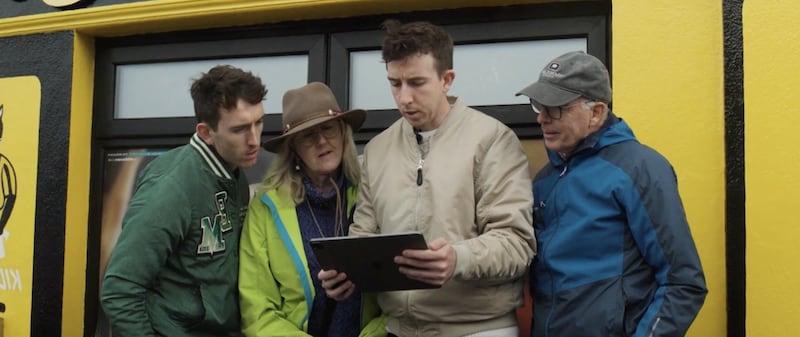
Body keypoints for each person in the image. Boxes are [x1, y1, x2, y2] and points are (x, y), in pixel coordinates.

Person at [320, 20, 536, 337]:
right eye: (395, 84)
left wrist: (457, 258)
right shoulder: (378, 149)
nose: (404, 97)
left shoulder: (492, 140)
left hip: (478, 329)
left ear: (447, 80)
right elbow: (364, 234)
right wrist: (348, 273)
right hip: (398, 329)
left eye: (416, 83)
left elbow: (517, 244)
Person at [516, 50, 708, 337]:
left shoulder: (640, 168)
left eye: (555, 108)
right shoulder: (545, 179)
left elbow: (683, 282)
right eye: (539, 106)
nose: (542, 118)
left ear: (596, 112)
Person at [100, 64, 267, 337]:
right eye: (239, 130)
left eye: (258, 122)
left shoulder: (233, 174)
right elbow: (119, 290)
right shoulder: (171, 187)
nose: (254, 140)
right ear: (205, 132)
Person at [239, 82, 385, 337]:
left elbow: (401, 294)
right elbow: (257, 309)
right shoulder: (265, 207)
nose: (321, 141)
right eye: (308, 135)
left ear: (342, 133)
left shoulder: (374, 193)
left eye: (328, 128)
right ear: (293, 149)